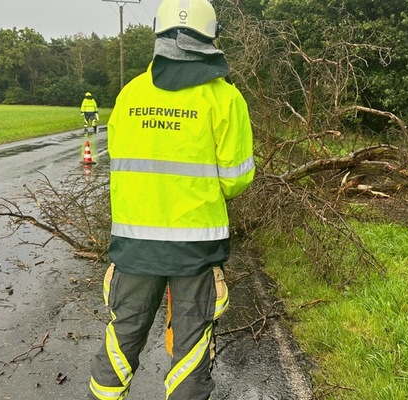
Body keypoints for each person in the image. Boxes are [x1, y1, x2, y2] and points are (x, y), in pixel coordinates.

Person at [88, 0, 255, 398]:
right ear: (211, 36)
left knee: (123, 330)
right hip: (194, 245)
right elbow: (236, 180)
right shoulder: (225, 98)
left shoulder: (129, 95)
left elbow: (121, 168)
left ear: (159, 34)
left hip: (134, 244)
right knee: (191, 340)